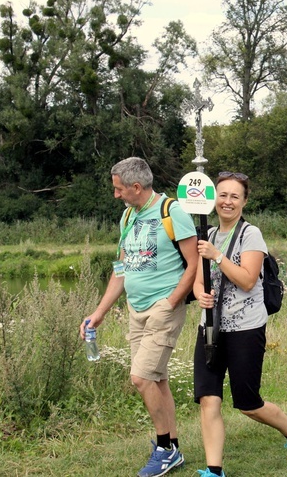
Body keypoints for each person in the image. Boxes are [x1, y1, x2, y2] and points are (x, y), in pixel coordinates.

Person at [80, 157, 198, 477]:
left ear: (135, 186)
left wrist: (171, 302)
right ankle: (172, 445)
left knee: (141, 377)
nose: (116, 194)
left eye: (119, 189)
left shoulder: (173, 212)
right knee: (157, 379)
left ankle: (164, 449)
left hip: (164, 309)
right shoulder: (128, 216)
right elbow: (121, 268)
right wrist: (100, 312)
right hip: (136, 310)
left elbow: (193, 264)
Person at [193, 171, 287, 477]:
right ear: (213, 198)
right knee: (208, 398)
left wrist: (217, 256)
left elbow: (246, 280)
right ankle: (214, 470)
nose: (227, 201)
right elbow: (196, 280)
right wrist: (200, 296)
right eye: (222, 195)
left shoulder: (250, 235)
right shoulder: (206, 235)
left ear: (244, 201)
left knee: (248, 404)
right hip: (210, 328)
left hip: (245, 328)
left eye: (234, 196)